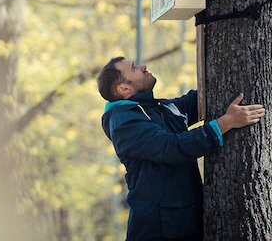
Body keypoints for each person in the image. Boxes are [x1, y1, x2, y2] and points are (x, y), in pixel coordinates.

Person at [97, 56, 265, 241]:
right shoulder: (124, 122)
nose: (143, 66)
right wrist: (225, 123)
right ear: (124, 88)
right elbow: (172, 147)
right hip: (158, 230)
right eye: (134, 68)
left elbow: (194, 102)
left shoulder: (157, 107)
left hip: (183, 221)